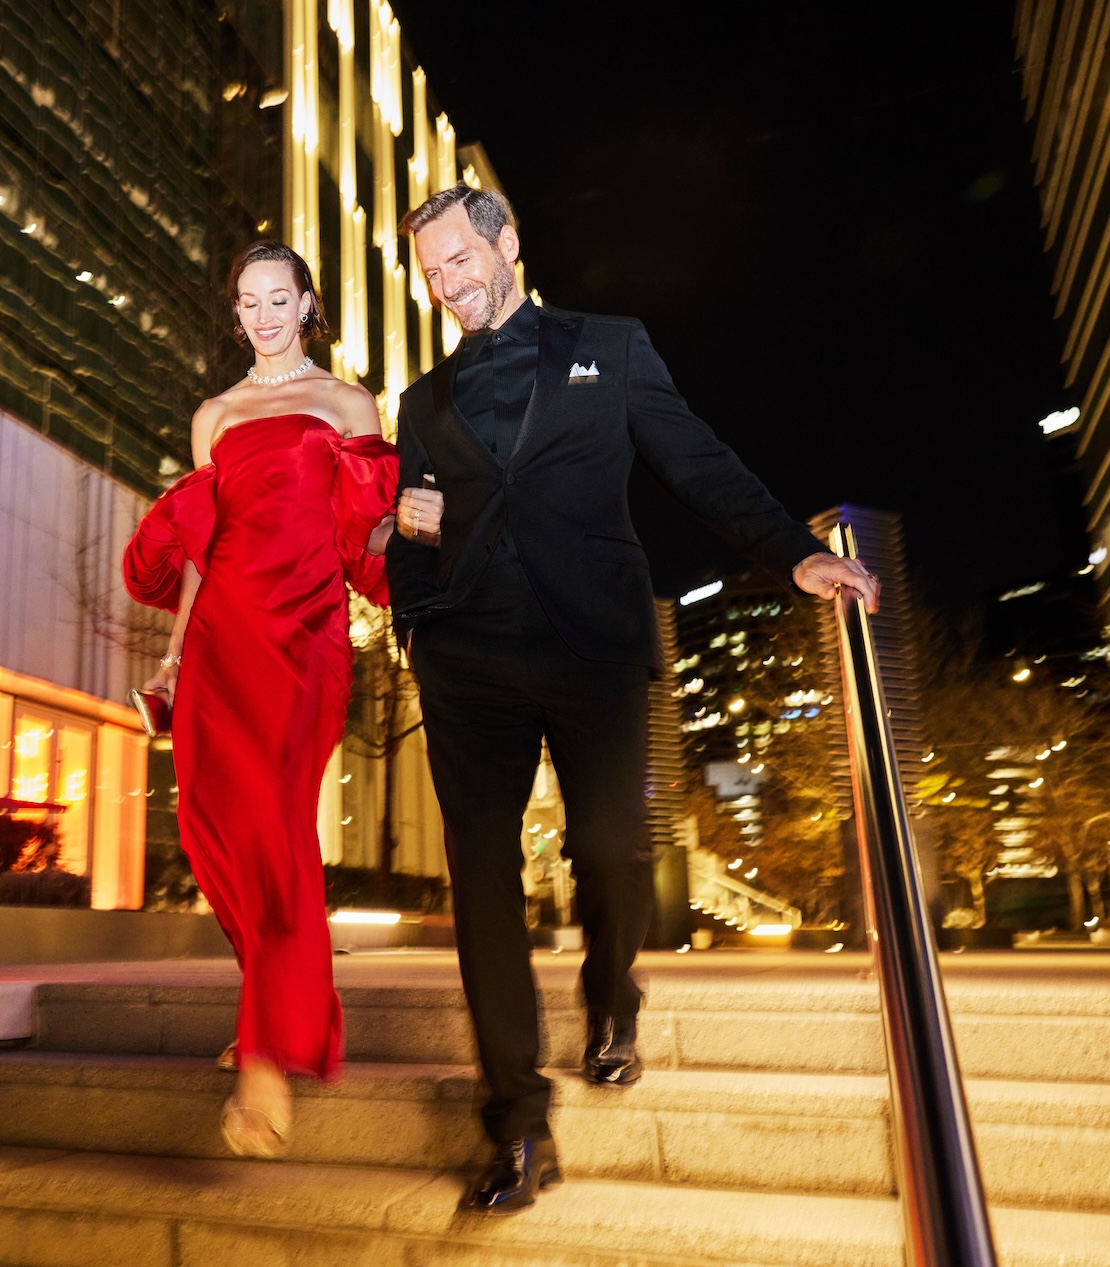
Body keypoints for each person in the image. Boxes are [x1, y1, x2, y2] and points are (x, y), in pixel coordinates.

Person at [386, 186, 879, 1214]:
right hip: (469, 655)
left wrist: (793, 553)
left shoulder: (606, 347)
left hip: (591, 644)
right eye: (431, 273)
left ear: (507, 242)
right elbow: (416, 526)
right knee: (481, 880)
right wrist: (415, 616)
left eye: (460, 260)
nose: (448, 284)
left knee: (612, 848)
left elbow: (696, 461)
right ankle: (517, 1123)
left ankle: (611, 995)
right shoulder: (424, 402)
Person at [123, 241, 399, 1159]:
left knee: (278, 824)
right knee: (214, 833)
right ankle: (273, 1004)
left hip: (307, 638)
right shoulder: (215, 416)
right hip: (222, 638)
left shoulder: (348, 402)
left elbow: (369, 532)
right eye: (250, 300)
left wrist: (421, 529)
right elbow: (202, 551)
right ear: (236, 314)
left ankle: (266, 1058)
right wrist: (173, 657)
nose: (266, 314)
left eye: (280, 297)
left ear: (306, 303)